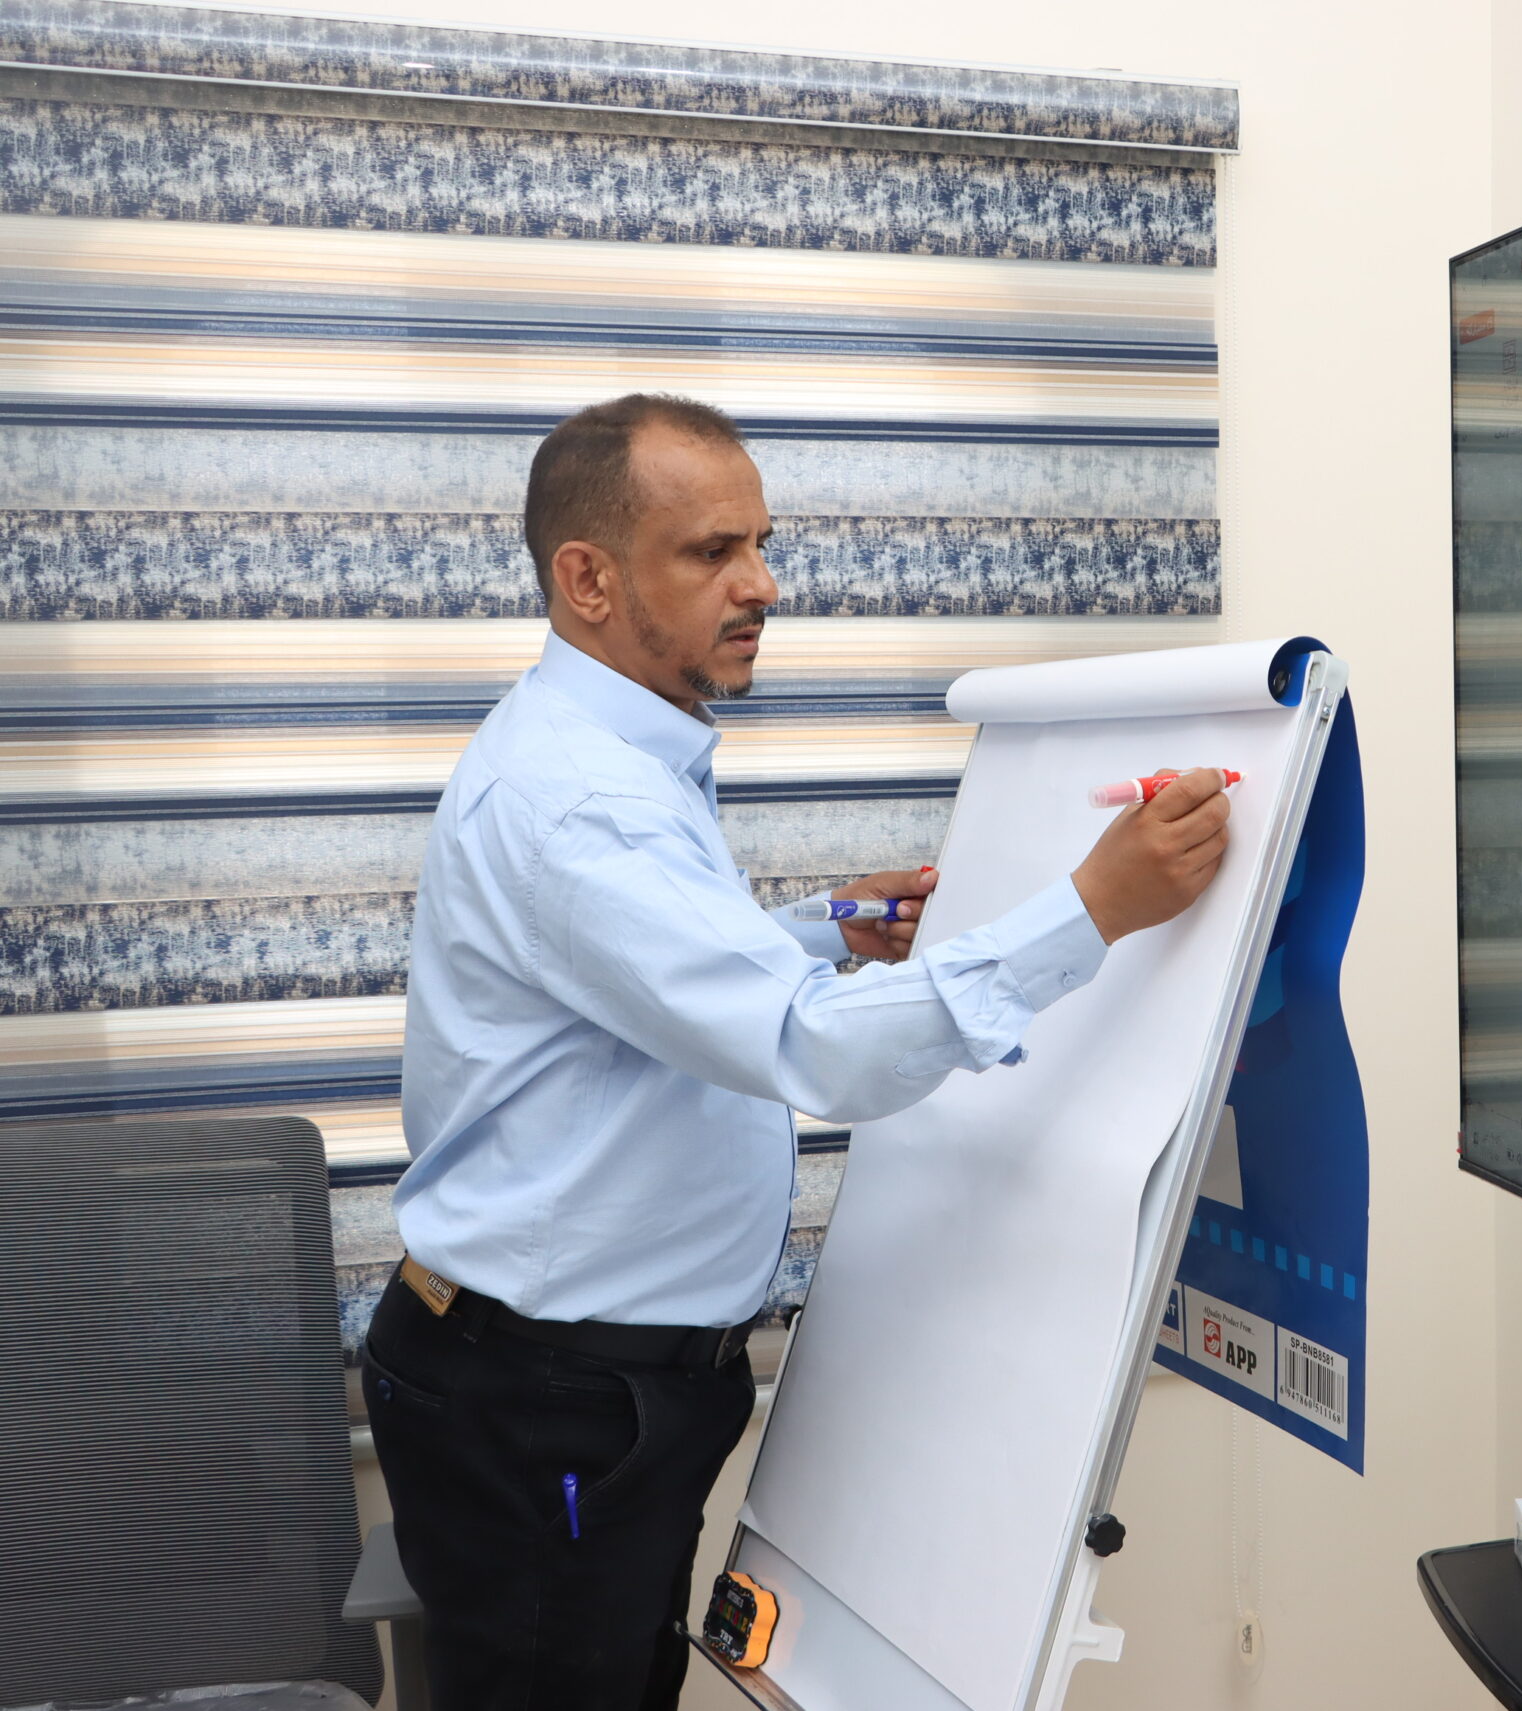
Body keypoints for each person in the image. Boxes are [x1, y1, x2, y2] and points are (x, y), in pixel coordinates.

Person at [362, 392, 1233, 1708]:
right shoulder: (580, 800)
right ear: (588, 580)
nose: (762, 585)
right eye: (711, 552)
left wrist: (820, 931)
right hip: (548, 1401)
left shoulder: (607, 752)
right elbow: (814, 1053)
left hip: (572, 1385)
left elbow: (617, 996)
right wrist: (1093, 909)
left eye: (760, 545)